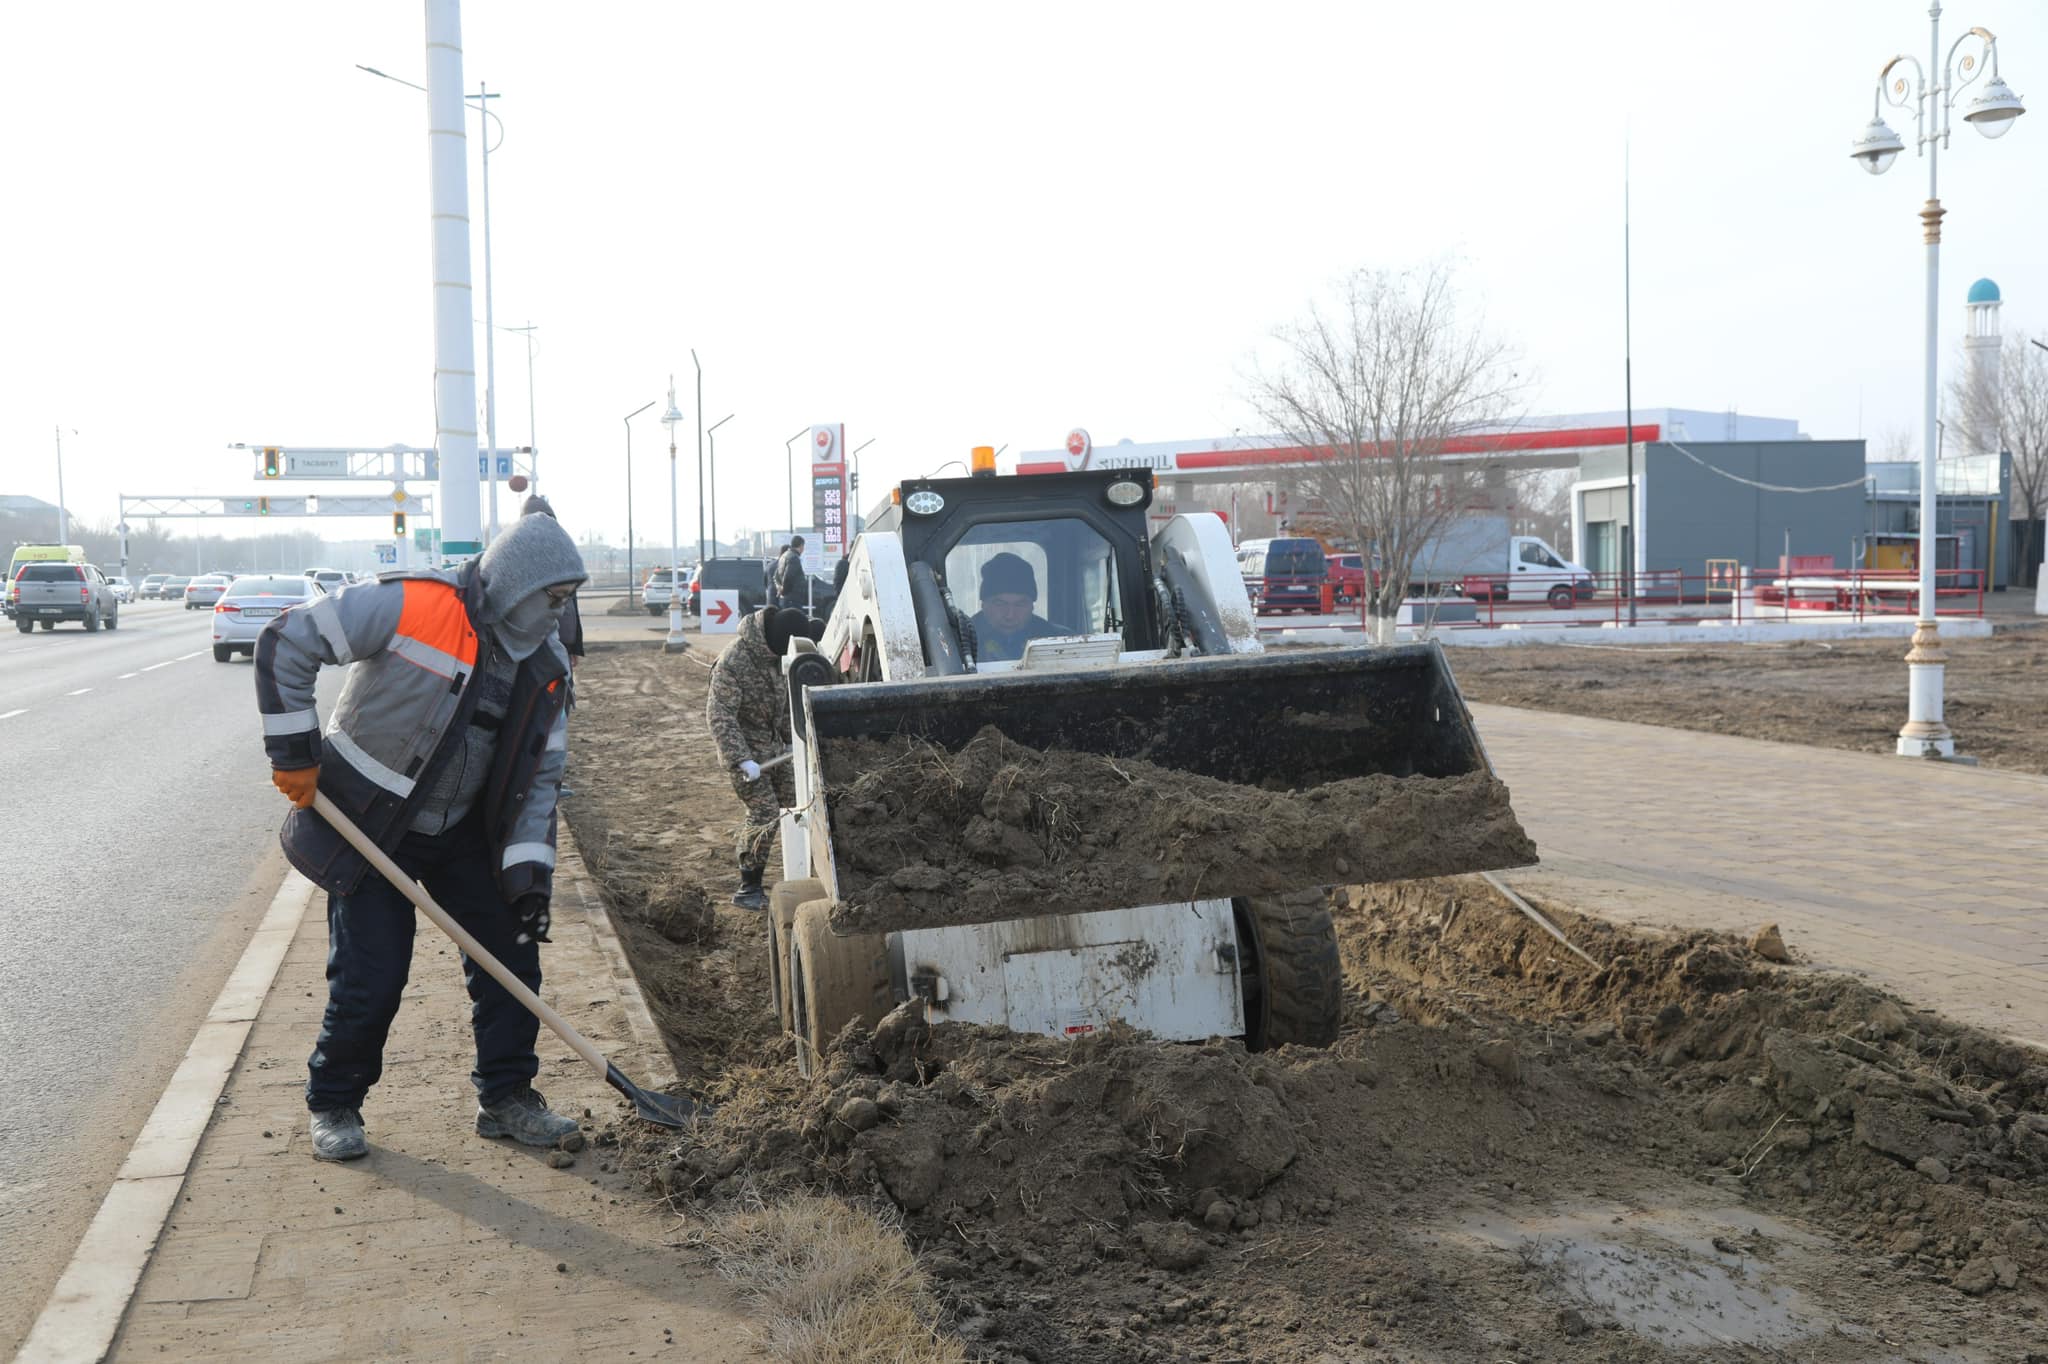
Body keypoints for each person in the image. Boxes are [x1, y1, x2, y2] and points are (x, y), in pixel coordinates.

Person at [256, 513, 588, 1163]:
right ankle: (334, 1102)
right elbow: (287, 640)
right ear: (516, 586)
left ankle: (506, 1098)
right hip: (370, 824)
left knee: (512, 956)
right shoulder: (413, 603)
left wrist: (528, 879)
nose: (558, 616)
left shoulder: (547, 665)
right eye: (551, 599)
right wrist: (294, 751)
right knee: (372, 973)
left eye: (565, 601)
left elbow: (540, 782)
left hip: (463, 831)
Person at [707, 606, 818, 909]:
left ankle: (812, 872)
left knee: (802, 802)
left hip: (775, 751)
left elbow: (783, 707)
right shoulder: (734, 661)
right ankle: (748, 887)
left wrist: (795, 741)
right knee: (764, 813)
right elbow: (720, 716)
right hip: (747, 758)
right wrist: (741, 759)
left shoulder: (778, 657)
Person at [520, 494, 585, 662]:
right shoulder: (521, 555)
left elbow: (571, 603)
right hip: (536, 644)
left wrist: (573, 646)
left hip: (558, 642)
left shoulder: (562, 551)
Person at [966, 551, 1063, 662]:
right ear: (984, 605)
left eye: (1020, 604)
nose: (1010, 615)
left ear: (1032, 606)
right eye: (1000, 604)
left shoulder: (1058, 640)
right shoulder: (960, 641)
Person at [772, 535, 807, 609]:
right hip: (792, 599)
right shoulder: (794, 558)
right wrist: (783, 591)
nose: (803, 549)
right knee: (794, 616)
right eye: (803, 546)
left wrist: (779, 588)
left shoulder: (784, 555)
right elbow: (788, 577)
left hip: (785, 599)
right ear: (801, 546)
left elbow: (776, 575)